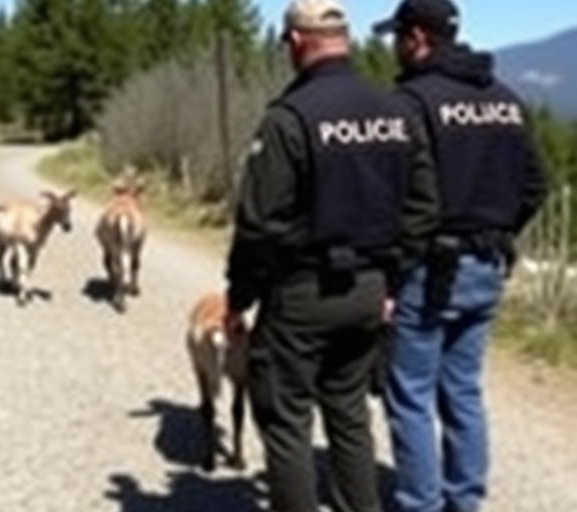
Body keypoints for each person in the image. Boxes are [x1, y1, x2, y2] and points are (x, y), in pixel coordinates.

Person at [223, 0, 440, 510]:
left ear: (297, 42)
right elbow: (424, 206)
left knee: (287, 421)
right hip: (368, 295)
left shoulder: (289, 118)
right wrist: (390, 279)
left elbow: (258, 224)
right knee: (348, 417)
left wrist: (240, 297)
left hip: (302, 295)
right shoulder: (396, 110)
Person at [372, 1, 549, 511]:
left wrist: (390, 271)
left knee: (409, 395)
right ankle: (464, 501)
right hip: (488, 262)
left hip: (428, 268)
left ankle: (420, 504)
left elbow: (395, 199)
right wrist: (497, 228)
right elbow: (535, 184)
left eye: (398, 35)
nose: (394, 46)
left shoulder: (410, 102)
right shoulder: (506, 100)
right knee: (464, 390)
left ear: (419, 38)